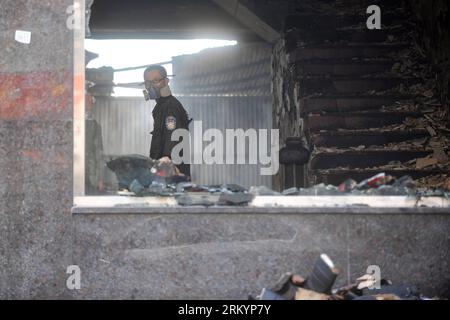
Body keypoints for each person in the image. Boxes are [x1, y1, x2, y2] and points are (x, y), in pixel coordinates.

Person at [143, 65, 191, 179]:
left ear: (166, 81)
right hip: (165, 172)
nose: (151, 87)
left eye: (156, 81)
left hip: (172, 173)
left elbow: (172, 141)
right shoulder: (161, 107)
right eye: (148, 83)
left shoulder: (170, 107)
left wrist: (164, 170)